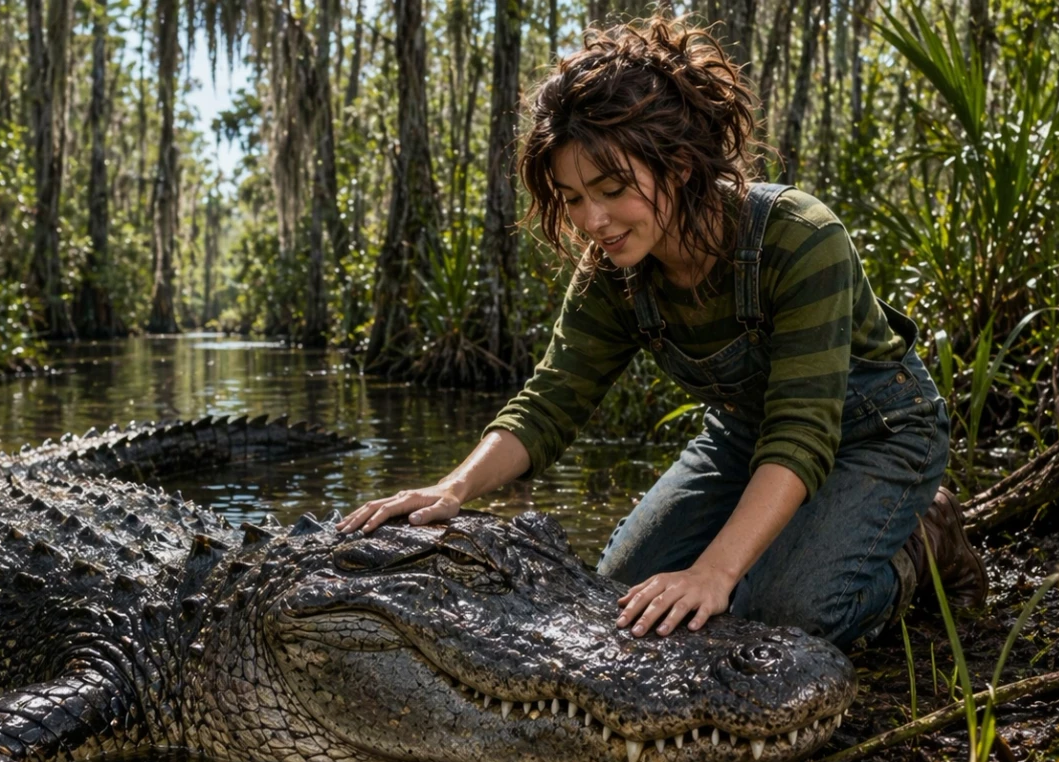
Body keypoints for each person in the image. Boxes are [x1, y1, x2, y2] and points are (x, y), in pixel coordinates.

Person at [338, 15, 988, 648]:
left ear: (677, 163)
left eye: (611, 187)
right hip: (744, 439)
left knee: (778, 615)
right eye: (571, 197)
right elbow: (551, 401)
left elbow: (803, 430)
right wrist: (453, 485)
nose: (593, 219)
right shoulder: (613, 276)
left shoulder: (799, 236)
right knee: (619, 593)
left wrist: (716, 571)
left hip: (878, 433)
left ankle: (926, 539)